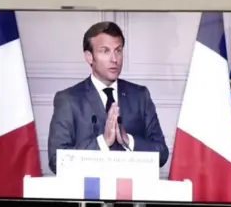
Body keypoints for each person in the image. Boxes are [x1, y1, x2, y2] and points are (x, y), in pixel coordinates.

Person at [47, 21, 169, 174]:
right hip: (88, 194)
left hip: (132, 193)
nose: (114, 59)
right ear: (89, 57)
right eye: (105, 51)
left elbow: (162, 154)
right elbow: (56, 161)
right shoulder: (68, 99)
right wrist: (102, 143)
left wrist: (129, 140)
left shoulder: (140, 95)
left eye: (118, 50)